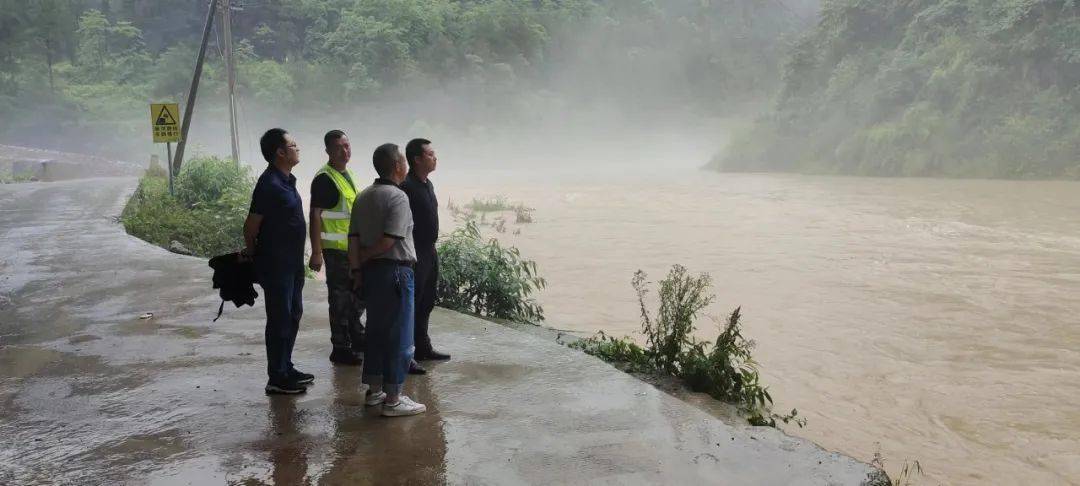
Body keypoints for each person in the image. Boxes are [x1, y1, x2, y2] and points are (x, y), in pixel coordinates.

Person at [348, 143, 426, 416]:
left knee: (376, 332)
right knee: (400, 336)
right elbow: (388, 241)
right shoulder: (398, 197)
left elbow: (353, 238)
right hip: (395, 272)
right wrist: (368, 257)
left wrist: (357, 269)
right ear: (397, 166)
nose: (406, 166)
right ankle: (394, 399)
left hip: (372, 275)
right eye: (403, 161)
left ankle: (375, 390)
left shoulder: (363, 196)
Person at [242, 128, 313, 395]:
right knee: (280, 318)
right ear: (280, 152)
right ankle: (277, 376)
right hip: (277, 265)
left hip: (293, 263)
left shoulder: (285, 180)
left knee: (293, 313)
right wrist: (254, 256)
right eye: (293, 145)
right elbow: (250, 227)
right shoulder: (268, 184)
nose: (298, 148)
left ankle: (286, 366)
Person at [308, 130, 365, 365]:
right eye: (339, 147)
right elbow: (315, 216)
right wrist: (316, 251)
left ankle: (355, 335)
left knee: (357, 295)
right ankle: (340, 347)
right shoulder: (325, 178)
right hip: (335, 250)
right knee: (340, 300)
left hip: (352, 249)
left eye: (347, 145)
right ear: (328, 151)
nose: (345, 151)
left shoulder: (347, 174)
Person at [400, 138, 450, 366]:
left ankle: (423, 346)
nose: (434, 157)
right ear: (417, 159)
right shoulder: (406, 186)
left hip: (429, 249)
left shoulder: (427, 184)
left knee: (427, 300)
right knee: (412, 302)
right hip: (414, 251)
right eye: (430, 154)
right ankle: (407, 354)